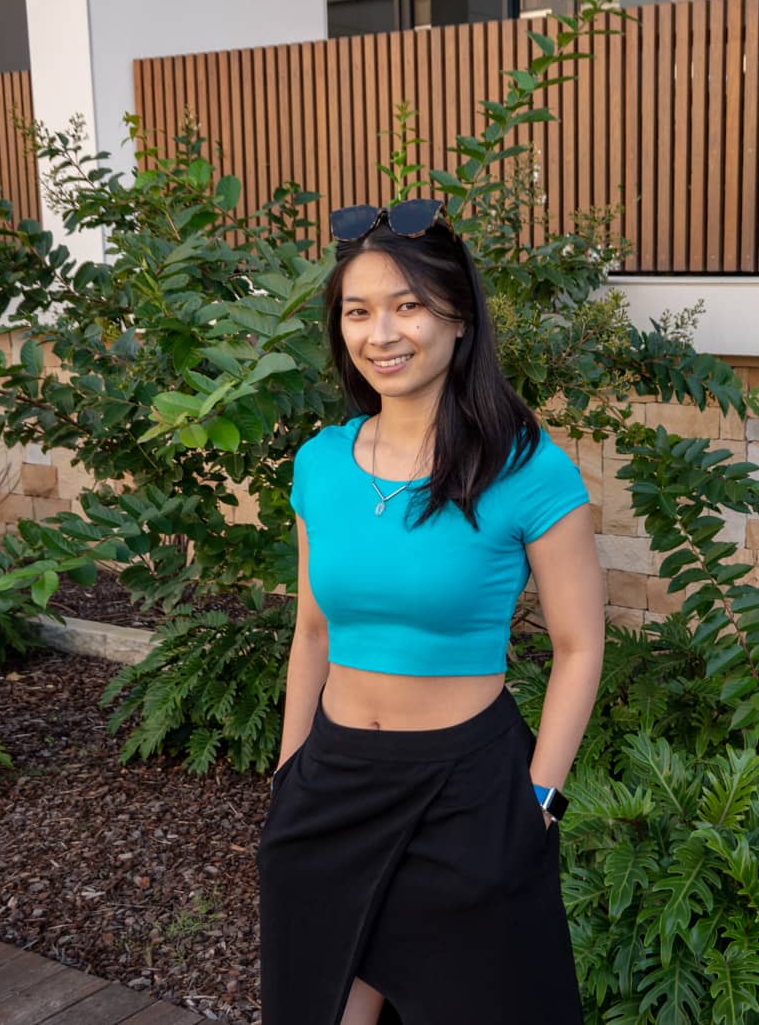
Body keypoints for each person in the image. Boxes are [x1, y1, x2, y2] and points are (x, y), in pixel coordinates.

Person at [256, 198, 605, 1024]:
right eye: (359, 310)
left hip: (467, 793)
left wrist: (539, 800)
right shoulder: (320, 464)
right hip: (331, 785)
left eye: (407, 305)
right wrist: (288, 771)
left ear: (459, 319)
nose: (382, 333)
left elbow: (580, 645)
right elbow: (312, 631)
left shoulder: (528, 469)